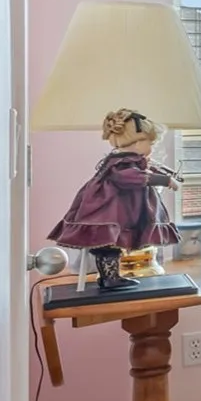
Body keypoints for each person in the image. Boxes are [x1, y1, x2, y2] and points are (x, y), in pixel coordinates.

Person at [48, 109, 180, 291]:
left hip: (120, 209)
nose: (151, 148)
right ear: (137, 142)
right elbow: (132, 177)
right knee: (109, 244)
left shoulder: (123, 161)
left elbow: (142, 173)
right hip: (109, 210)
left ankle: (109, 276)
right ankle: (110, 278)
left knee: (111, 245)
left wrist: (161, 176)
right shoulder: (121, 164)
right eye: (150, 143)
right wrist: (163, 180)